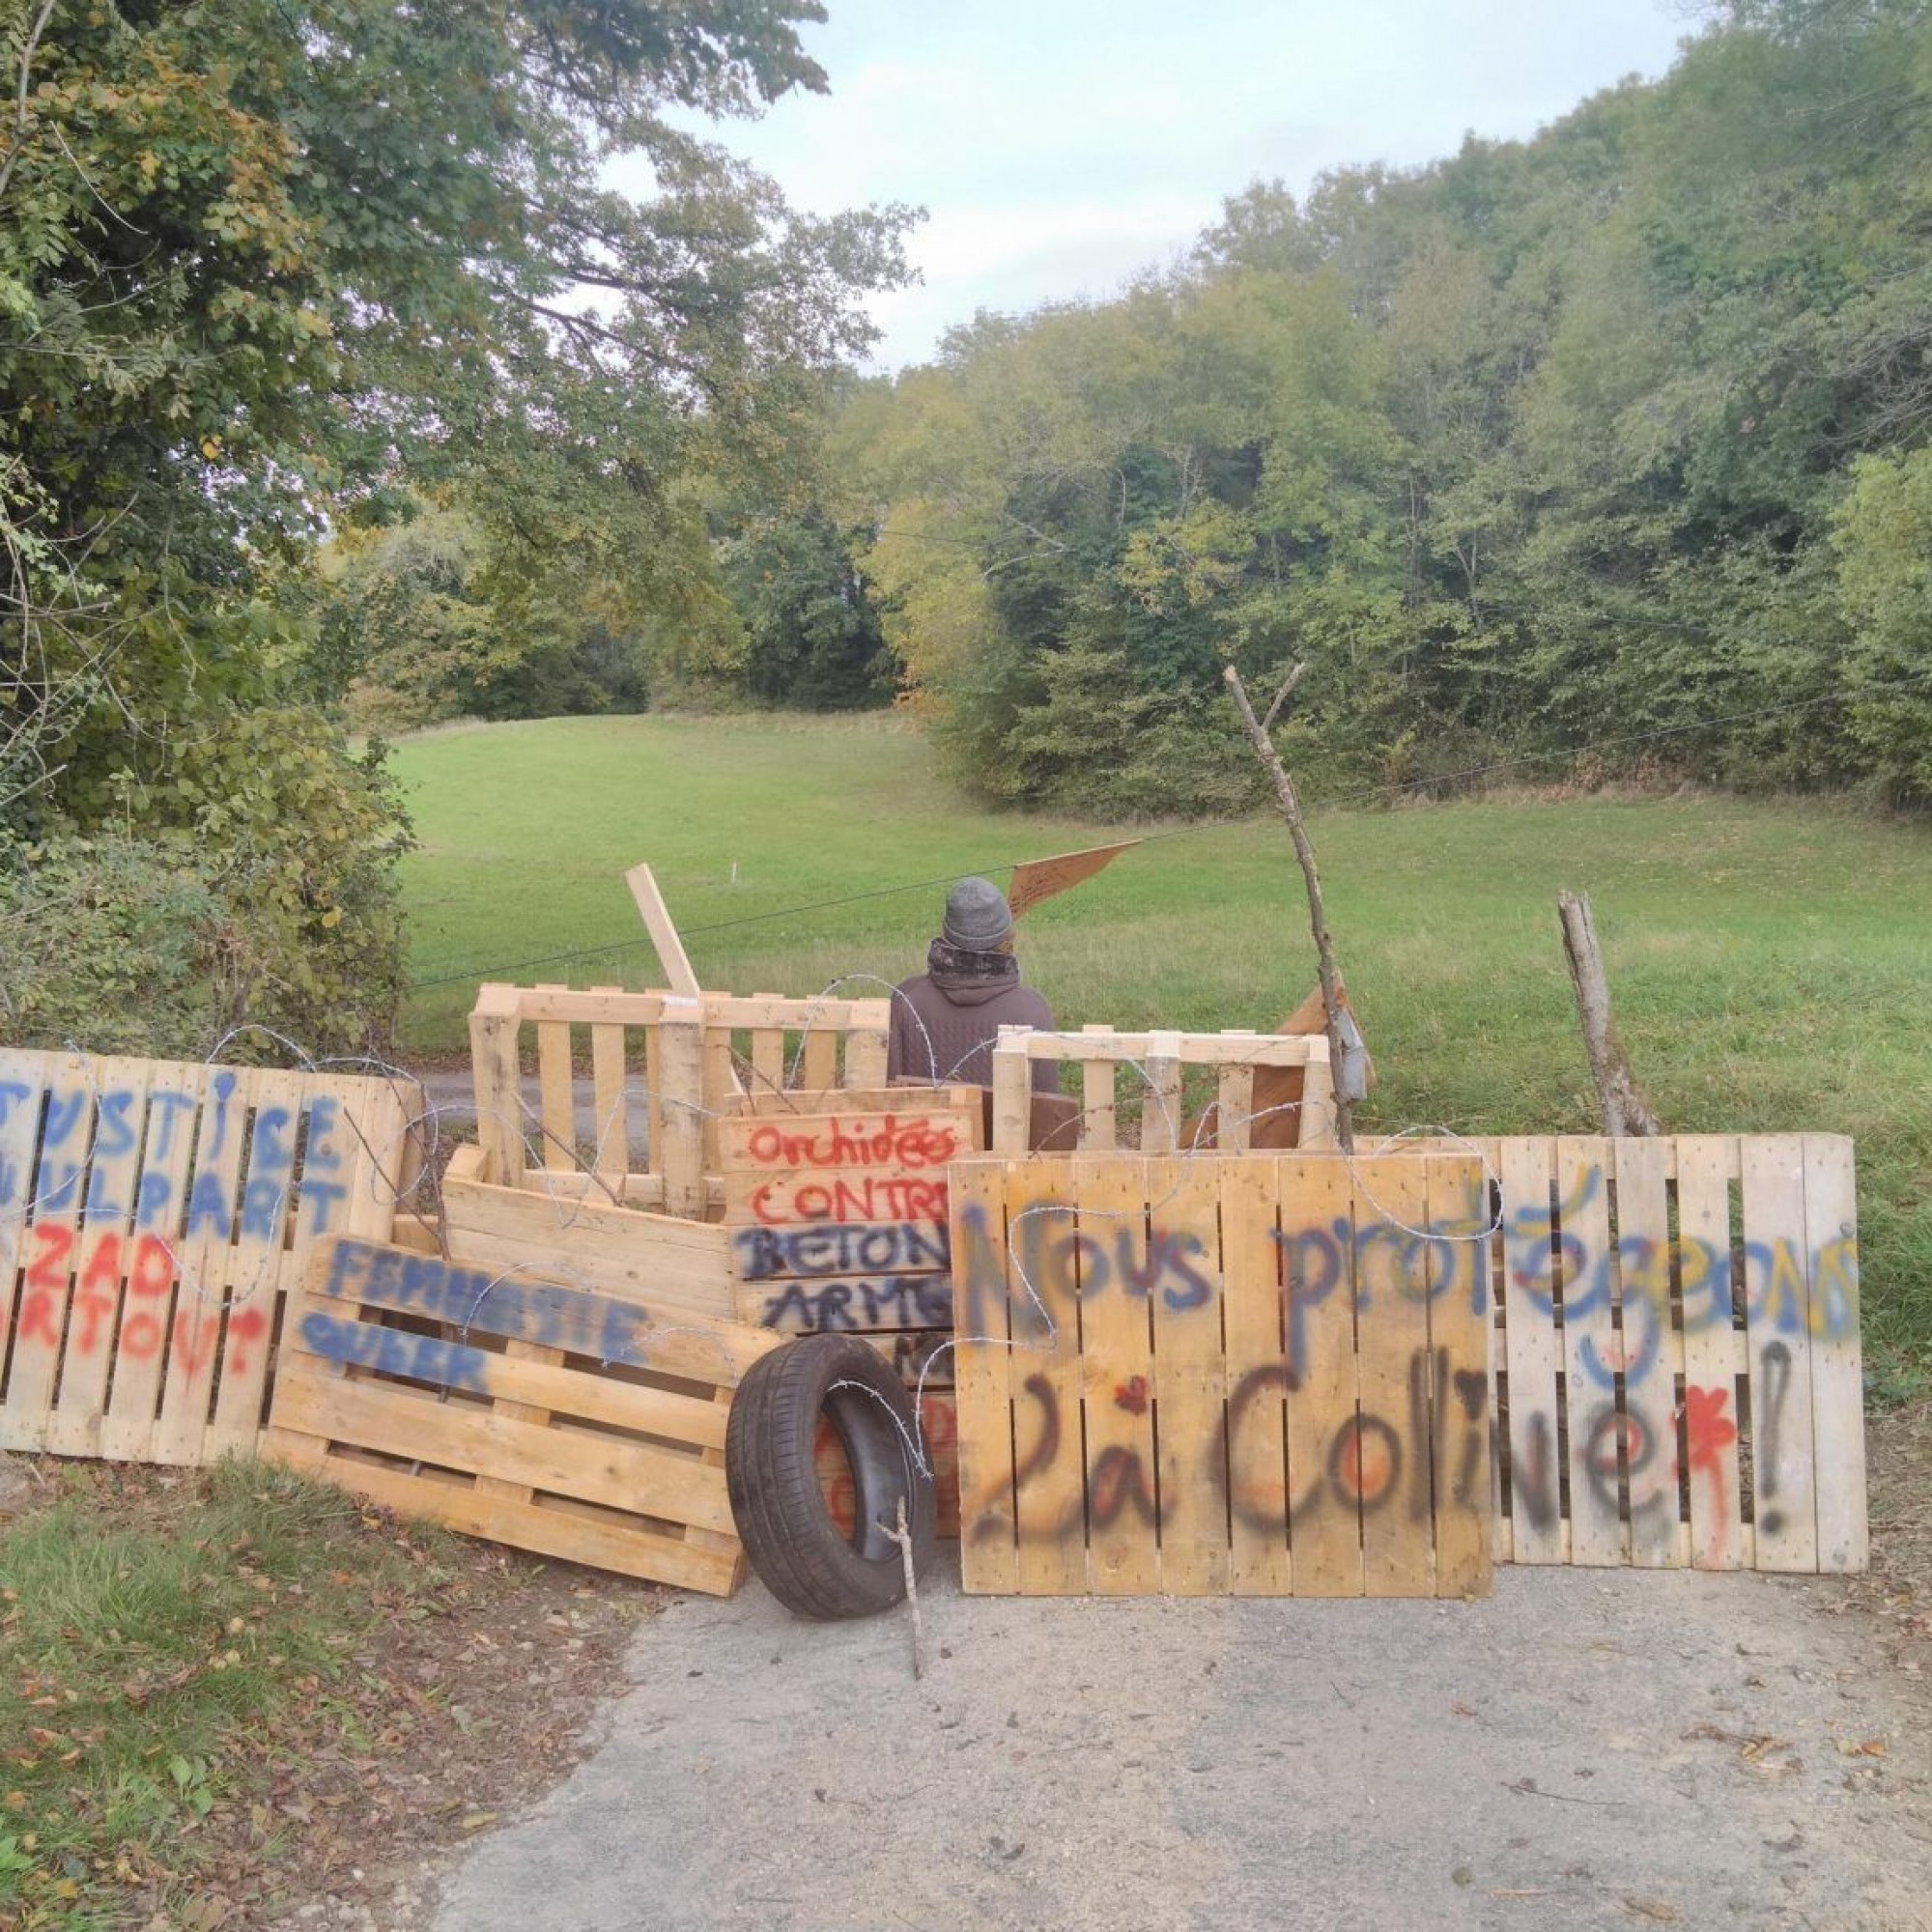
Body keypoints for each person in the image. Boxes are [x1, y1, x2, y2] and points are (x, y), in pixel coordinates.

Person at [887, 877, 1058, 1093]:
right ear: (1007, 938)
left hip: (921, 1126)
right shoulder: (1033, 1009)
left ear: (946, 932)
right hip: (1003, 1127)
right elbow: (1047, 1107)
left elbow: (886, 1094)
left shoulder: (905, 999)